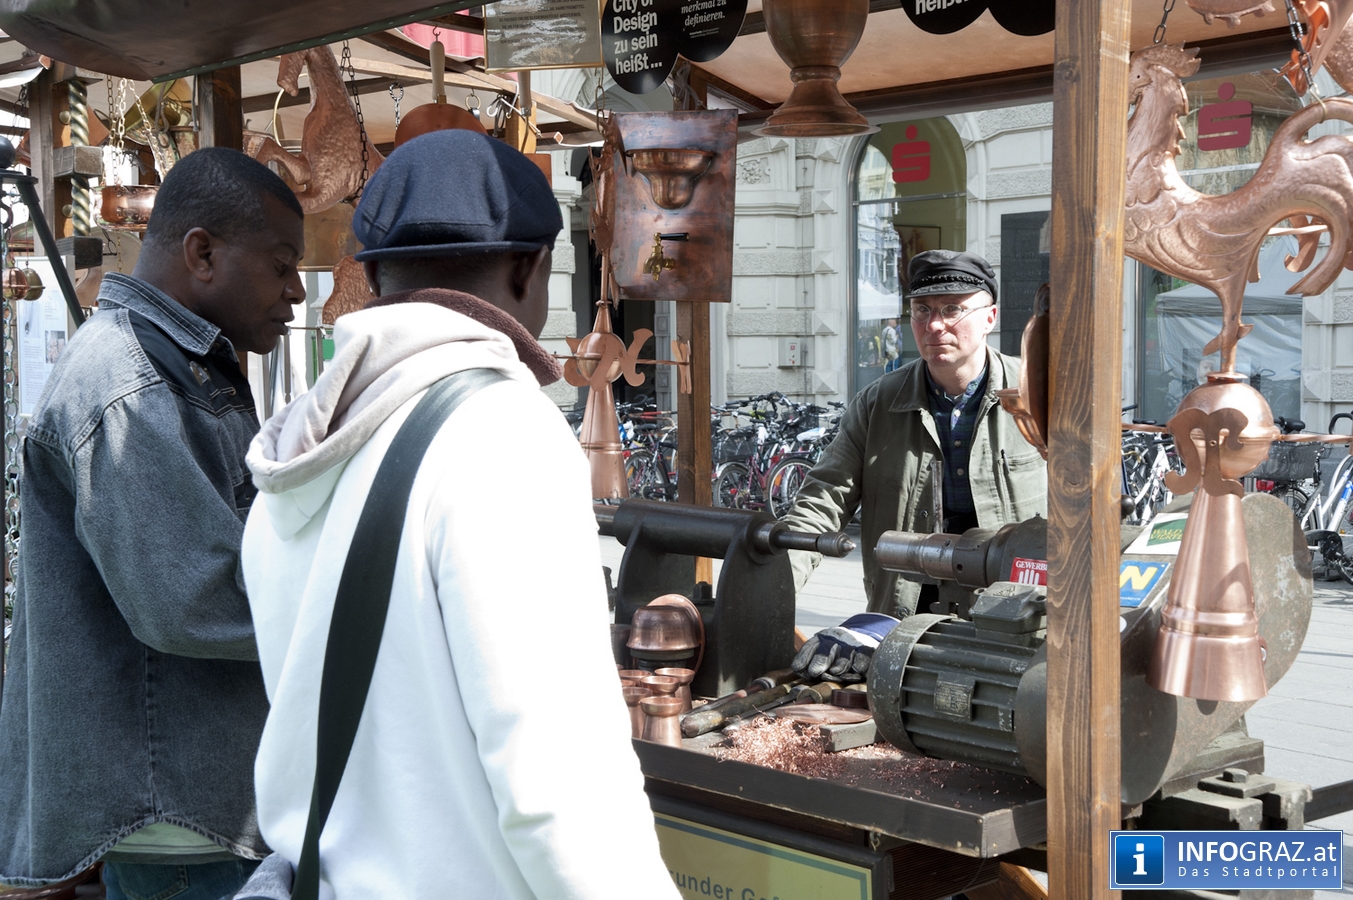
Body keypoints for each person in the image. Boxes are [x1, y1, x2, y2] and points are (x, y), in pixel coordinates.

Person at [238, 130, 681, 899]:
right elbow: (557, 779)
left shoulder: (301, 441)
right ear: (528, 267)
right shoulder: (499, 429)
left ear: (370, 275)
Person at [0, 149, 305, 897]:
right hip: (179, 815)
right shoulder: (125, 382)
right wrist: (364, 605)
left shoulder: (175, 363)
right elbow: (192, 600)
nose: (296, 292)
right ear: (202, 252)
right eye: (280, 265)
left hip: (197, 804)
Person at [782, 250, 1047, 623]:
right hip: (907, 613)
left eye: (952, 309)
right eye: (922, 310)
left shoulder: (1039, 394)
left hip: (1017, 612)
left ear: (990, 317)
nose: (935, 325)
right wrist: (772, 586)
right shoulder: (878, 403)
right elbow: (823, 501)